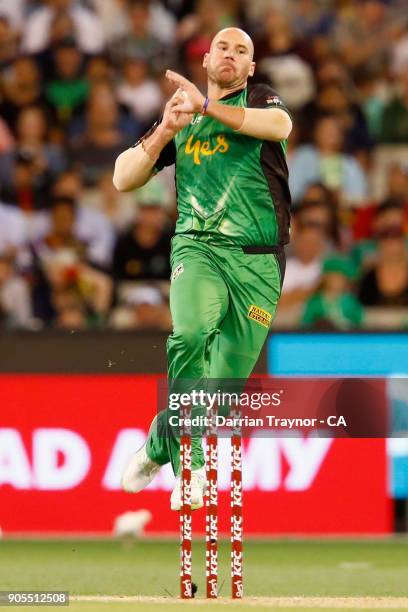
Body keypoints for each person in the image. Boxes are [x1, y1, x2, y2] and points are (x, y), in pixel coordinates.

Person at [113, 27, 292, 510]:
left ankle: (156, 444)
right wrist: (165, 132)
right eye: (223, 48)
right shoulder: (182, 117)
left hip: (259, 263)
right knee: (190, 335)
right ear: (207, 59)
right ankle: (187, 468)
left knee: (219, 393)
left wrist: (206, 107)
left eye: (242, 51)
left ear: (251, 68)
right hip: (199, 250)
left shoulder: (260, 100)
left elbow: (280, 129)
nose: (231, 56)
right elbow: (122, 178)